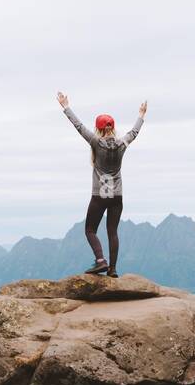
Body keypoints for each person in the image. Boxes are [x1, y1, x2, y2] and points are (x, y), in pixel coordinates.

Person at [57, 92, 147, 276]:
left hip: (100, 195)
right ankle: (112, 270)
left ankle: (100, 261)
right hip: (117, 196)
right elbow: (134, 133)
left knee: (90, 229)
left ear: (98, 129)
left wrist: (66, 107)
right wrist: (141, 115)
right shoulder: (122, 143)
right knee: (112, 232)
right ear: (112, 128)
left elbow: (79, 126)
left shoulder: (96, 142)